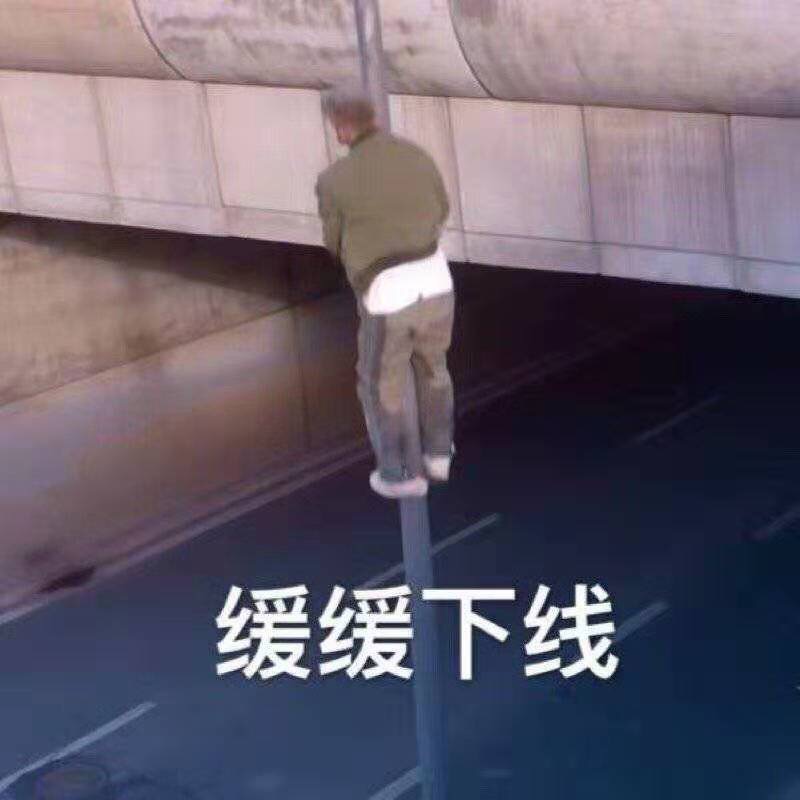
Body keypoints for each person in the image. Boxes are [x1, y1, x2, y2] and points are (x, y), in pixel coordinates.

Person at [316, 84, 456, 499]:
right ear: (374, 116)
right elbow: (442, 209)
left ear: (340, 128)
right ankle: (439, 454)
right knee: (434, 367)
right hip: (436, 281)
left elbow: (333, 241)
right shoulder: (416, 155)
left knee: (379, 383)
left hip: (387, 294)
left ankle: (395, 474)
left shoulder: (333, 181)